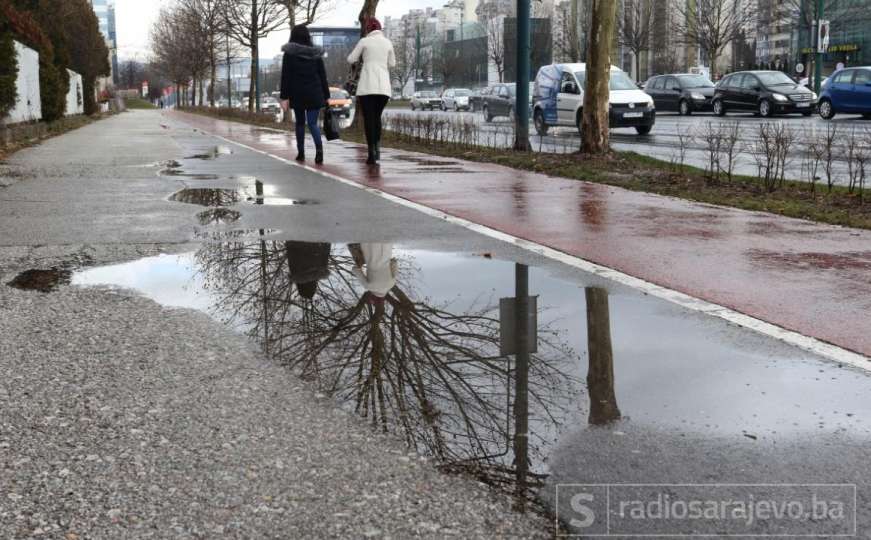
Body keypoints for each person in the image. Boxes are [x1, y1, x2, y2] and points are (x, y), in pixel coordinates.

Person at [347, 17, 396, 165]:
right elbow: (392, 63)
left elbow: (351, 59)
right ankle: (377, 148)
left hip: (367, 86)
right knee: (377, 118)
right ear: (380, 29)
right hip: (383, 88)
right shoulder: (388, 42)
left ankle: (371, 153)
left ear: (368, 29)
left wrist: (365, 59)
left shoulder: (364, 41)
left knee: (369, 119)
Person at [280, 25, 331, 165]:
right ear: (308, 36)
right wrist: (326, 95)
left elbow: (286, 77)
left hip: (297, 93)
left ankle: (301, 153)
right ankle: (319, 152)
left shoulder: (289, 54)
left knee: (300, 124)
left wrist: (284, 97)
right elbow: (322, 76)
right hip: (314, 92)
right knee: (313, 123)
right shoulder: (316, 53)